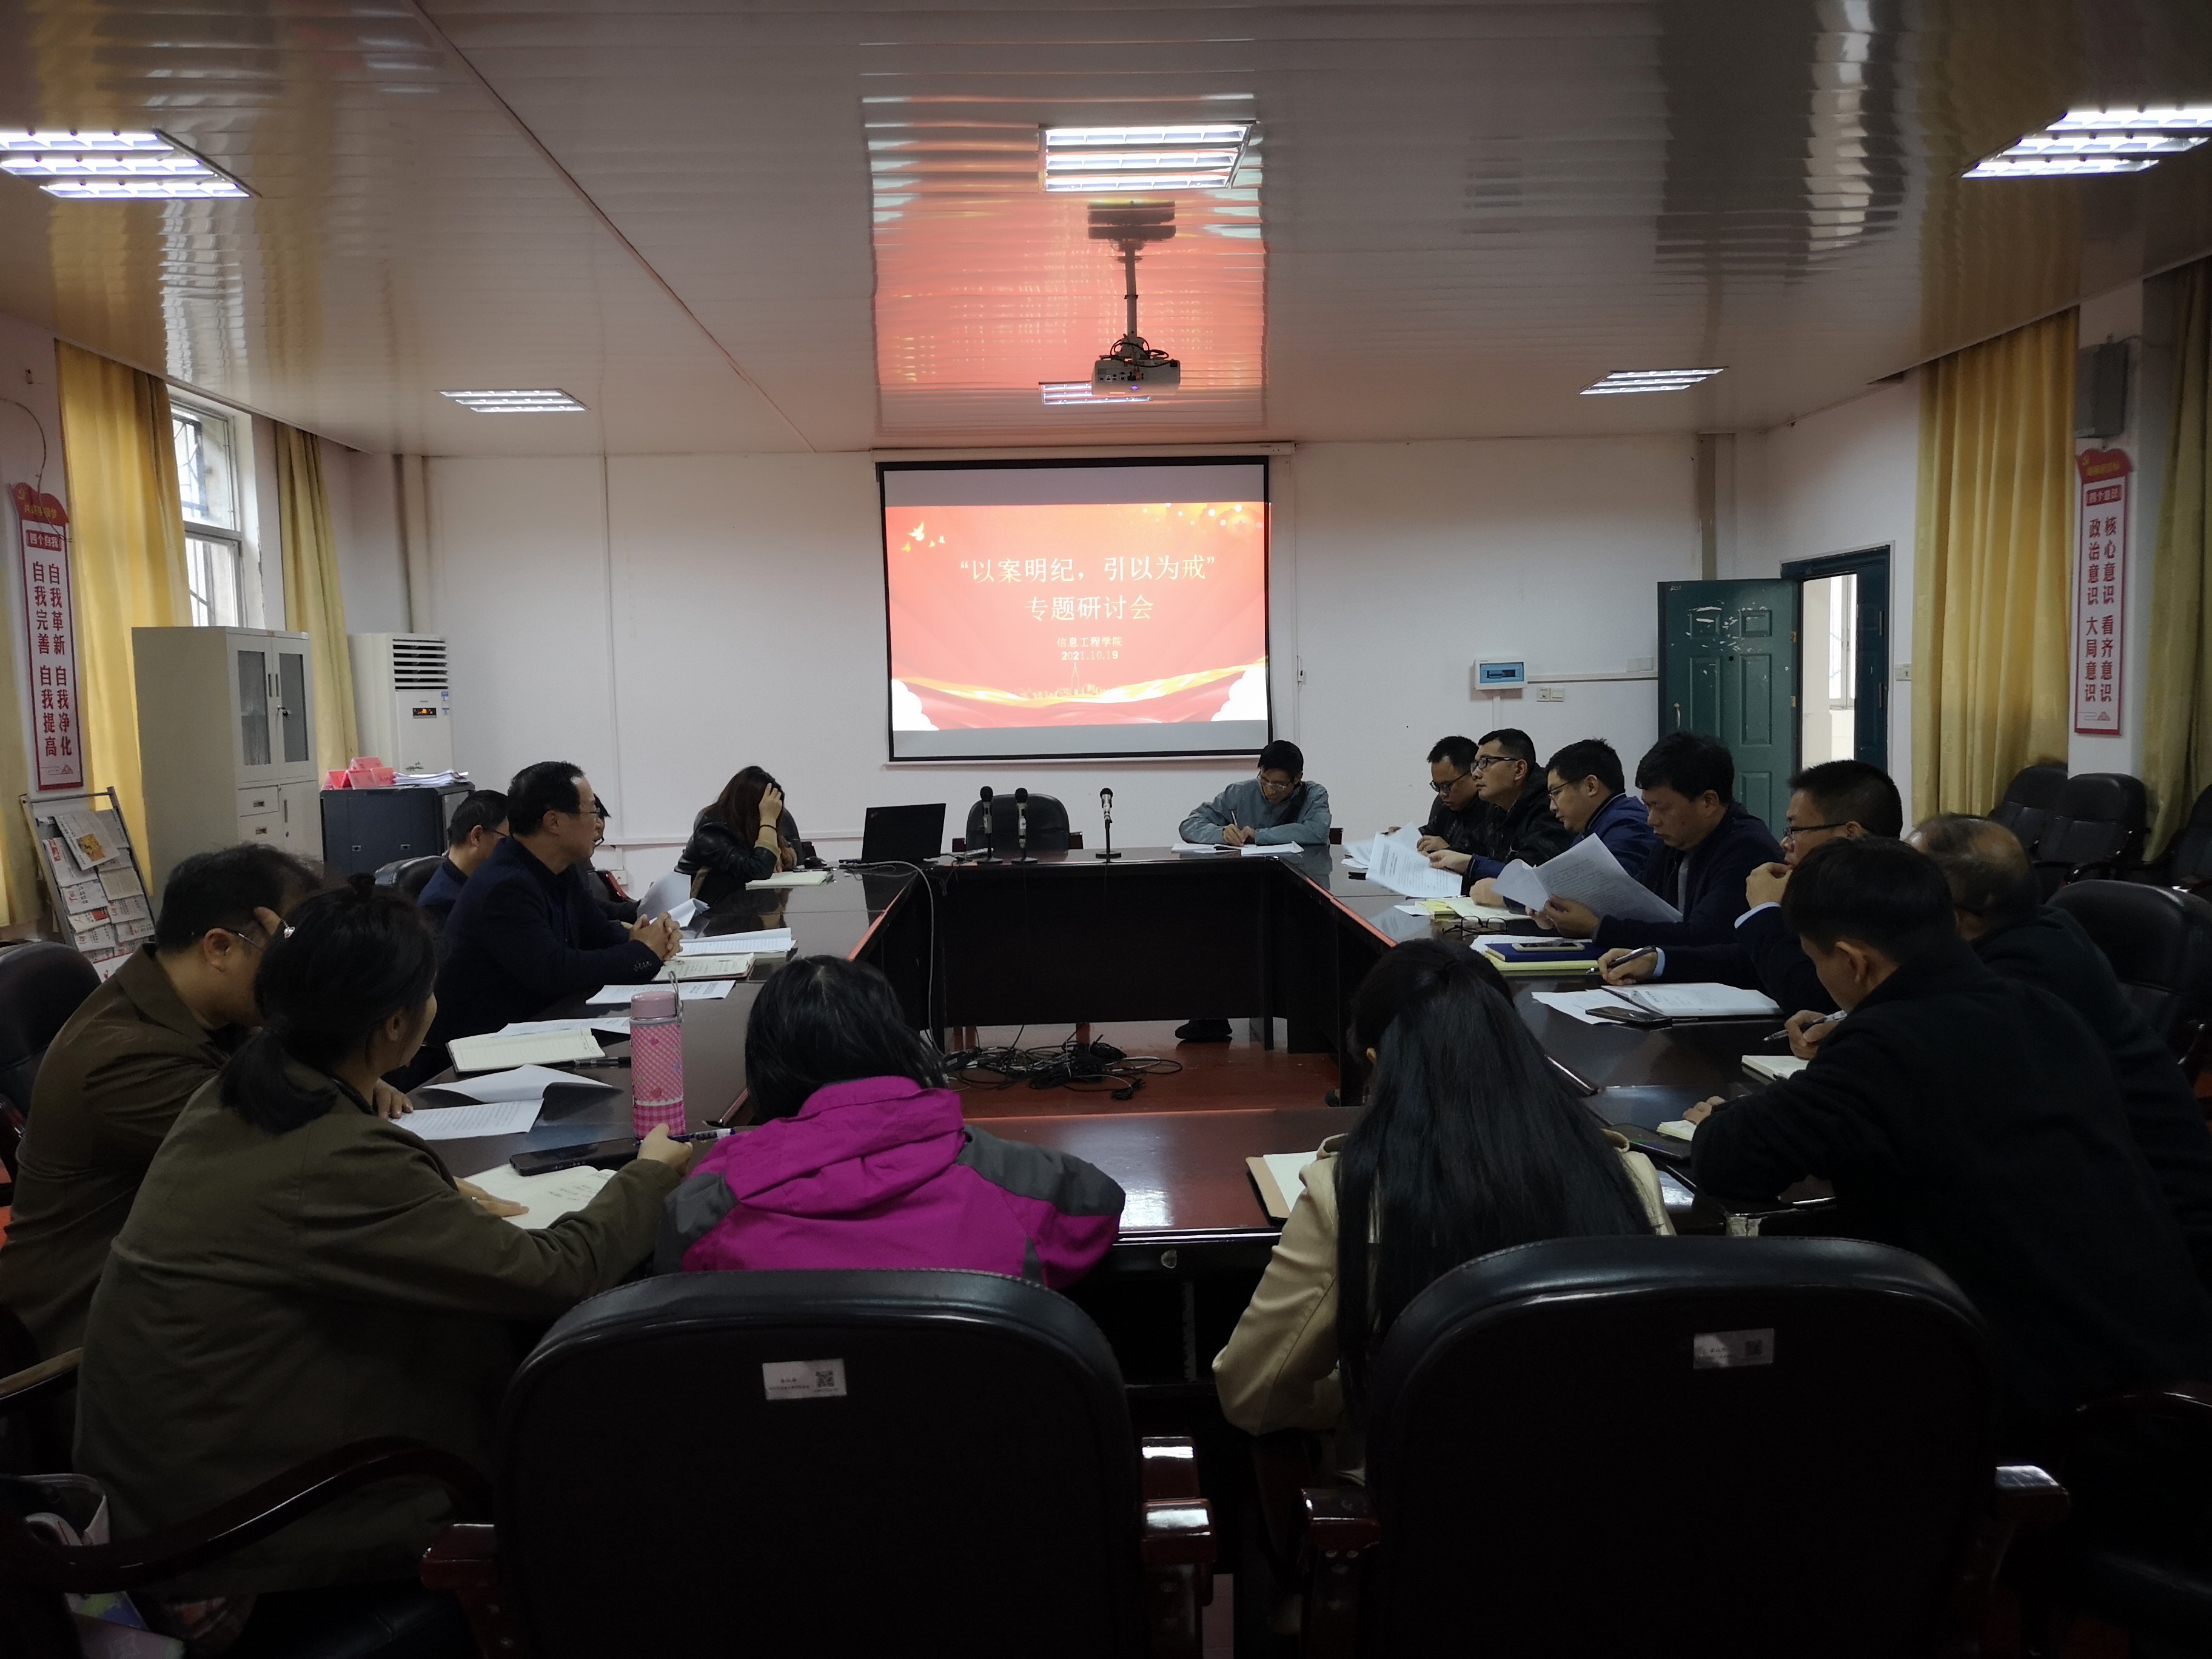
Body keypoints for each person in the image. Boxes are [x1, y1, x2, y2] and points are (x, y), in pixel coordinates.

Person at [72, 880, 693, 1629]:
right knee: (589, 1433)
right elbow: (558, 1274)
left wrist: (431, 1196)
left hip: (181, 1480)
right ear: (396, 1025)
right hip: (236, 1542)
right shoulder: (331, 1155)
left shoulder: (240, 1091)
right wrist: (649, 1175)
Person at [1684, 839, 2212, 1442]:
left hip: (2053, 1401)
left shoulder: (1887, 1045)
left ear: (1855, 961)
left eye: (1815, 960)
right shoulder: (2040, 1007)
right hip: (2158, 1350)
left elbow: (1732, 1160)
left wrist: (1713, 1122)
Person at [1212, 940, 1669, 1476]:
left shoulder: (1351, 1195)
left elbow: (1252, 1397)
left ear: (1378, 1065)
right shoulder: (1628, 1175)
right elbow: (1658, 1367)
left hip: (1426, 1511)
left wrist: (1365, 1390)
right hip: (1611, 1499)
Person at [0, 845, 323, 1358]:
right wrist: (344, 1035)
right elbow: (295, 1155)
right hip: (98, 1331)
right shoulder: (124, 1058)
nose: (302, 971)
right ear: (220, 948)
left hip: (189, 1272)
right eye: (291, 949)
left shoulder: (211, 1011)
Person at [659, 955, 1123, 1281]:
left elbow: (670, 1267)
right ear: (896, 1043)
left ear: (767, 1067)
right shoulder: (1011, 1180)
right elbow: (1100, 1202)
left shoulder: (716, 1198)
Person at [1909, 814, 2212, 1285]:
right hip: (2098, 1200)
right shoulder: (2040, 926)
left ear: (1953, 918)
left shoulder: (2022, 978)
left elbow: (1945, 1094)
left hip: (2149, 1233)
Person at [424, 761, 680, 1073]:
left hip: (540, 1031)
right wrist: (643, 952)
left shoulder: (559, 869)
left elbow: (598, 933)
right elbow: (555, 971)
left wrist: (650, 937)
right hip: (479, 1056)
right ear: (554, 821)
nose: (598, 823)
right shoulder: (504, 886)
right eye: (592, 811)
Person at [1595, 759, 1901, 1011]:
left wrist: (1765, 912)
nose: (1785, 844)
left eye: (1796, 830)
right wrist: (1658, 960)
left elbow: (1807, 994)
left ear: (1849, 834)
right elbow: (1752, 961)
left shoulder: (1887, 901)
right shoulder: (1827, 892)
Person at [1540, 731, 1781, 948]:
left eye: (1661, 808)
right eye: (1648, 806)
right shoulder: (1673, 842)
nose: (1651, 820)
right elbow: (1638, 904)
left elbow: (1704, 937)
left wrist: (1598, 928)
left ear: (1708, 802)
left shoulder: (1748, 851)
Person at [1423, 729, 1572, 888]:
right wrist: (1435, 858)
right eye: (1476, 765)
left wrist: (1471, 864)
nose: (1476, 774)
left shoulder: (1549, 808)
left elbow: (1529, 877)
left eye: (1486, 762)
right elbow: (1468, 850)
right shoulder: (1495, 807)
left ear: (1519, 770)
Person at [675, 766, 802, 908]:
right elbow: (759, 871)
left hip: (740, 905)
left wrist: (779, 857)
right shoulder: (712, 830)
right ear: (750, 807)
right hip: (705, 912)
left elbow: (794, 855)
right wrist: (768, 820)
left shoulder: (747, 827)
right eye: (768, 809)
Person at [1179, 739, 1332, 850]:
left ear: (1298, 778)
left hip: (1301, 873)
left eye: (1278, 785)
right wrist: (1222, 834)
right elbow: (1189, 825)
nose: (1269, 790)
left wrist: (1258, 836)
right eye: (1264, 780)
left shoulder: (1314, 795)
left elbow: (1317, 832)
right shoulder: (1239, 792)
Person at [412, 789, 508, 932]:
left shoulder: (480, 882)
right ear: (477, 836)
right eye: (507, 840)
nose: (512, 849)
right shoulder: (439, 907)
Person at [1414, 736, 1488, 854]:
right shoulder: (1448, 807)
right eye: (1437, 787)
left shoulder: (1492, 812)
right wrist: (1402, 837)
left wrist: (1448, 851)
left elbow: (1486, 861)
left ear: (1473, 773)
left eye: (1446, 786)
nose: (1442, 794)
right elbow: (1428, 832)